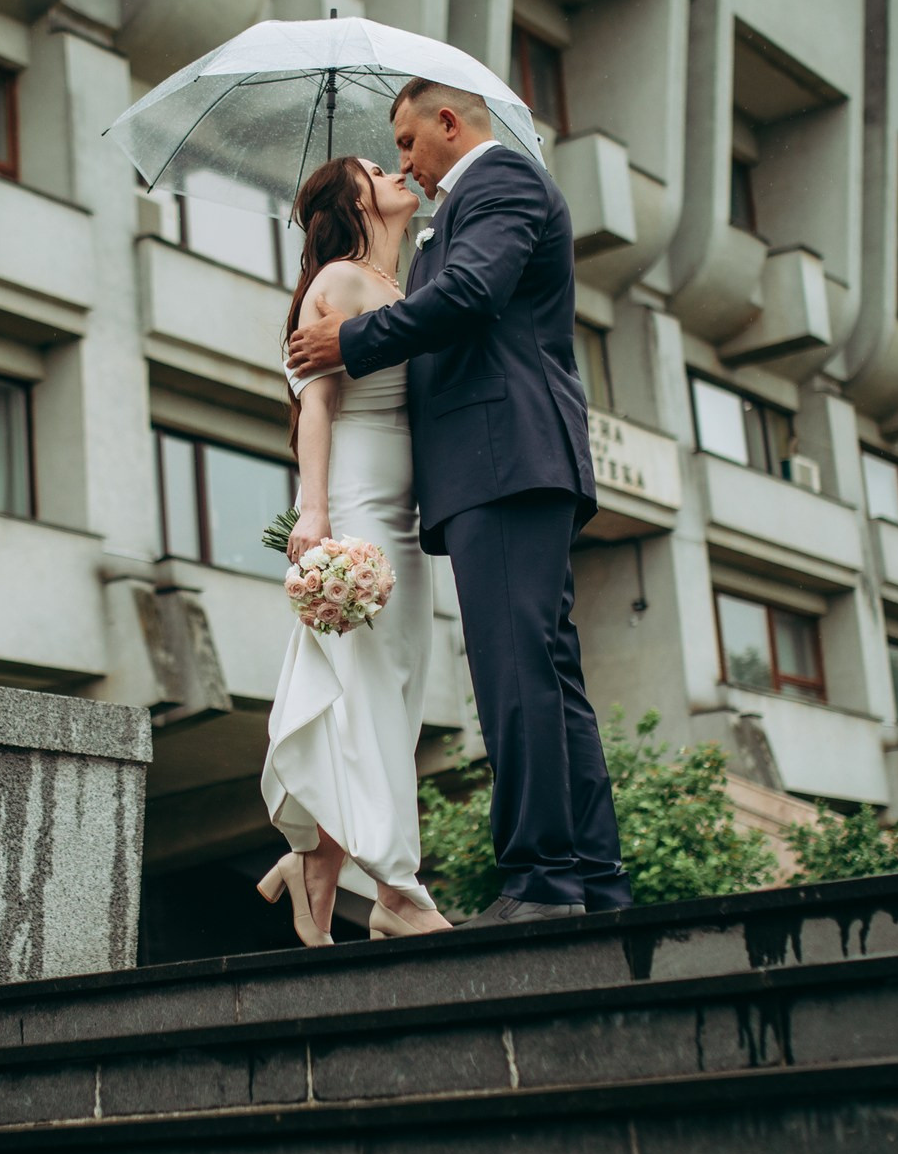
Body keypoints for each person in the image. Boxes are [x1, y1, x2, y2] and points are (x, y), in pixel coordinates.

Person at [284, 80, 627, 925]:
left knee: (517, 672)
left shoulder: (501, 181)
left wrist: (349, 337)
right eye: (389, 154)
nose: (403, 160)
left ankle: (543, 879)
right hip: (486, 470)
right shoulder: (435, 235)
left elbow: (472, 296)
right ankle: (590, 876)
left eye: (406, 142)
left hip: (504, 460)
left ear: (447, 123)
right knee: (542, 672)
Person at [256, 155, 455, 945]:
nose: (398, 167)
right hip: (359, 502)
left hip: (405, 514)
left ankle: (312, 856)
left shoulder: (403, 288)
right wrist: (315, 515)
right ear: (352, 200)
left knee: (390, 694)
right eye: (378, 166)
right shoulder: (337, 281)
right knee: (367, 691)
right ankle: (398, 890)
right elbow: (317, 404)